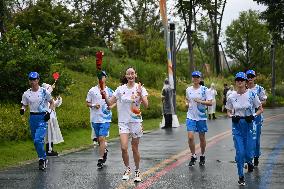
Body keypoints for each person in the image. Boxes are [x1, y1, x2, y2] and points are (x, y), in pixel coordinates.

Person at [103, 67, 148, 182]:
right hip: (123, 122)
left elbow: (147, 105)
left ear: (135, 75)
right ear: (126, 76)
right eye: (128, 74)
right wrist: (104, 95)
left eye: (132, 73)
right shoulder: (120, 89)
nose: (130, 76)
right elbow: (110, 103)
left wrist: (140, 94)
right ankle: (128, 169)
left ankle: (137, 171)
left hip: (136, 121)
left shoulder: (140, 88)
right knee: (123, 147)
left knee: (134, 148)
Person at [226, 72, 263, 186]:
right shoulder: (231, 96)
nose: (239, 81)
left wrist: (253, 115)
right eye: (237, 80)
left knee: (248, 153)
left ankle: (249, 161)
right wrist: (232, 116)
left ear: (245, 81)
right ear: (235, 82)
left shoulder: (252, 94)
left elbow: (260, 109)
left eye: (242, 79)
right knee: (240, 152)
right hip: (237, 126)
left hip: (249, 126)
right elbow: (228, 111)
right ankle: (241, 176)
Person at [20, 72, 54, 170]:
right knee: (36, 141)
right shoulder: (26, 93)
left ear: (38, 80)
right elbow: (24, 104)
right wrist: (23, 109)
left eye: (35, 80)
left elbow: (51, 102)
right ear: (29, 81)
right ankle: (42, 157)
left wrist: (48, 112)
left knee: (38, 140)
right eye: (31, 80)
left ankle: (42, 159)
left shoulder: (44, 92)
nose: (33, 82)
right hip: (33, 117)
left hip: (42, 117)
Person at [86, 71, 114, 169]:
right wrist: (94, 105)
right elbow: (87, 103)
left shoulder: (110, 91)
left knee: (102, 138)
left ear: (105, 78)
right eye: (99, 77)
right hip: (95, 118)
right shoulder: (92, 90)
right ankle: (104, 151)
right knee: (99, 139)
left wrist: (111, 106)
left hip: (106, 118)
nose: (101, 79)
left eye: (102, 77)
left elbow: (115, 102)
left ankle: (100, 158)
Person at [185, 71, 213, 167]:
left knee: (202, 138)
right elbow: (187, 99)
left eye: (197, 77)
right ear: (192, 78)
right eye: (194, 77)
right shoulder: (188, 89)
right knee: (190, 137)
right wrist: (186, 104)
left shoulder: (205, 90)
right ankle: (193, 156)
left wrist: (200, 101)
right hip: (191, 116)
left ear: (200, 79)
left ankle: (202, 155)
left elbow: (210, 103)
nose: (195, 78)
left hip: (201, 117)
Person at [246, 70, 267, 166]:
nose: (250, 78)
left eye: (252, 76)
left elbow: (264, 102)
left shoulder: (259, 89)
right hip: (246, 116)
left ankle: (256, 156)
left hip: (257, 116)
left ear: (254, 77)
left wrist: (255, 104)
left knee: (256, 138)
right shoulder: (244, 88)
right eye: (248, 76)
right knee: (247, 137)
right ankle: (248, 157)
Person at [42, 83, 64, 156]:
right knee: (48, 135)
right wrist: (51, 87)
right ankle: (49, 150)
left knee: (50, 135)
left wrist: (58, 99)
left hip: (52, 118)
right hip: (48, 119)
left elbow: (55, 104)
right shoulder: (44, 97)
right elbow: (47, 92)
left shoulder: (49, 97)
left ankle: (50, 150)